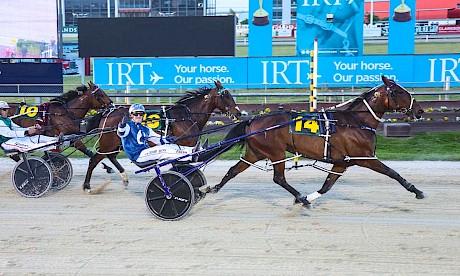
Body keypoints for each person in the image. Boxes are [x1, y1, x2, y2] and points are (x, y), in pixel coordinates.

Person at [117, 103, 199, 164]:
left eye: (141, 114)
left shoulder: (145, 129)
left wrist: (168, 139)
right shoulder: (128, 126)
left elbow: (157, 139)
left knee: (170, 146)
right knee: (164, 150)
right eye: (136, 114)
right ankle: (190, 156)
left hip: (144, 151)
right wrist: (122, 125)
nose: (138, 116)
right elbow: (121, 133)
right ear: (131, 115)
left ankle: (192, 151)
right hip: (137, 155)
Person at [0, 101, 65, 153]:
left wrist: (32, 128)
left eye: (8, 109)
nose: (7, 111)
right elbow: (9, 133)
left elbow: (17, 128)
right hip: (7, 143)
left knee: (36, 138)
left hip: (14, 140)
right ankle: (54, 145)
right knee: (32, 146)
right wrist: (27, 132)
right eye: (5, 109)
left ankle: (56, 141)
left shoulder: (7, 119)